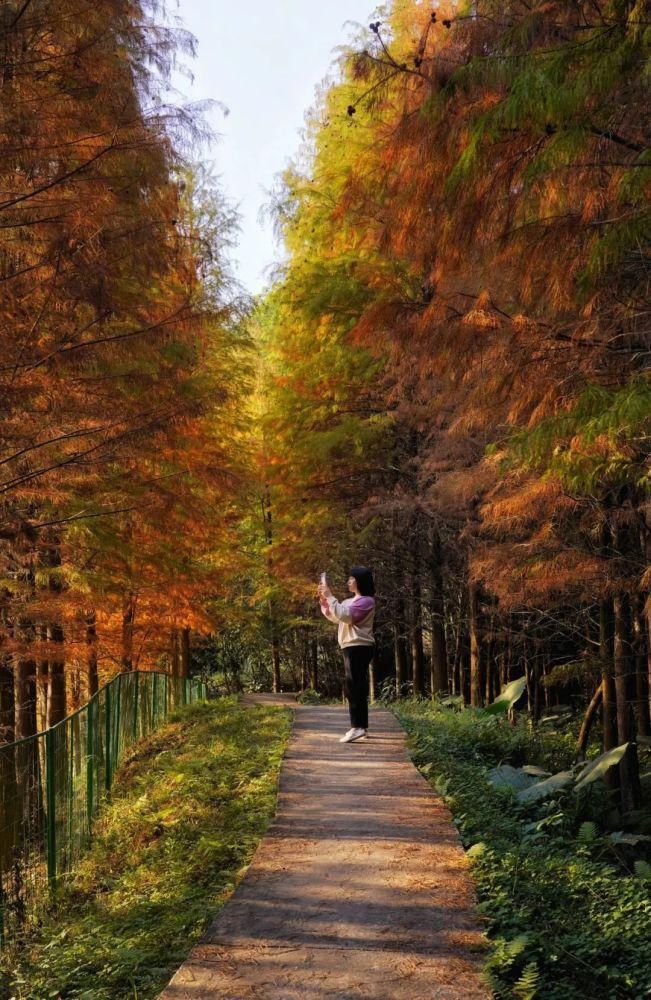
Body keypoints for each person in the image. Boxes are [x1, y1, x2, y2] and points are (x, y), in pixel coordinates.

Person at [318, 566, 375, 743]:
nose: (348, 582)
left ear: (358, 581)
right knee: (354, 686)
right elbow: (337, 616)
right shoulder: (350, 601)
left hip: (359, 645)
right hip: (350, 646)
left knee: (354, 686)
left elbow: (347, 616)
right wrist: (324, 602)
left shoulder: (367, 601)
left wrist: (330, 596)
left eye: (351, 579)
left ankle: (357, 727)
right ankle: (360, 727)